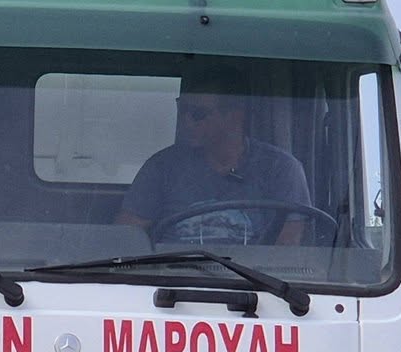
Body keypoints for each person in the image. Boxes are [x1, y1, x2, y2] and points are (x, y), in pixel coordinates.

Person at [116, 82, 313, 246]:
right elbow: (126, 234)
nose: (186, 121)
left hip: (256, 282)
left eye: (198, 113)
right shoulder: (161, 167)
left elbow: (290, 246)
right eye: (182, 109)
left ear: (234, 117)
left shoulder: (281, 168)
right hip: (171, 278)